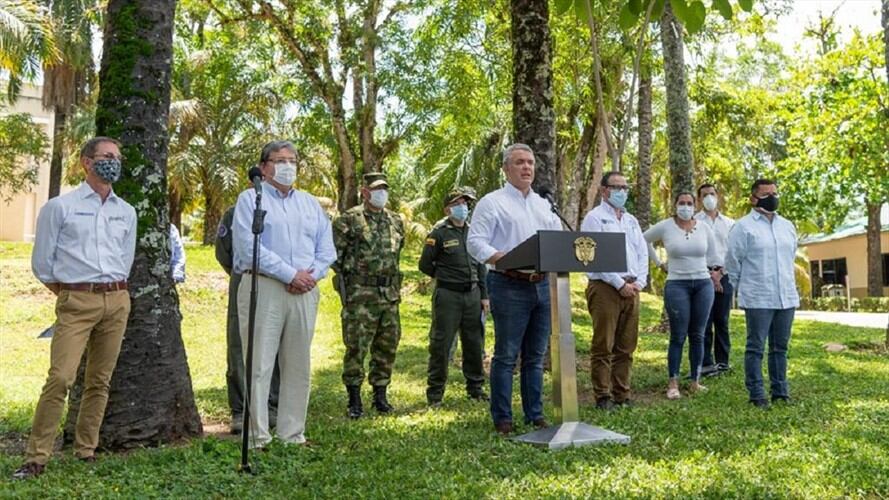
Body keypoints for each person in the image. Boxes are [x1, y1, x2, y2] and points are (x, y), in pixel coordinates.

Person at [14, 137, 136, 480]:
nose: (113, 161)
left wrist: (113, 293)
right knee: (61, 378)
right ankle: (36, 457)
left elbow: (124, 261)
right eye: (106, 156)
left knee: (100, 380)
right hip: (76, 301)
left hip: (117, 301)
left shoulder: (126, 211)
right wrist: (72, 293)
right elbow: (42, 264)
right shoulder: (60, 207)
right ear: (86, 162)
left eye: (117, 156)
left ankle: (86, 450)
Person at [231, 141, 336, 447]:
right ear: (264, 167)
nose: (288, 166)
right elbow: (247, 248)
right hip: (263, 287)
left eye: (292, 160)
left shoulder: (309, 203)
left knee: (298, 364)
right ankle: (257, 437)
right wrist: (290, 274)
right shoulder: (251, 199)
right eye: (280, 160)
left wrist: (309, 276)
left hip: (305, 291)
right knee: (259, 363)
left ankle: (292, 434)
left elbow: (326, 250)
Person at [467, 143, 562, 436]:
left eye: (531, 163)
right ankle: (503, 418)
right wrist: (503, 258)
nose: (527, 168)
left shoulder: (544, 203)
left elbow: (557, 238)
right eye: (520, 162)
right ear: (506, 169)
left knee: (535, 355)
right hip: (508, 283)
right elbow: (476, 242)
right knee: (507, 355)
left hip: (542, 285)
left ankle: (535, 414)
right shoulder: (492, 202)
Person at [332, 173, 405, 418]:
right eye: (376, 189)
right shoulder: (349, 220)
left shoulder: (395, 220)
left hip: (389, 295)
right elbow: (335, 256)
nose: (381, 193)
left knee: (387, 346)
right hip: (360, 295)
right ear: (365, 192)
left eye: (384, 188)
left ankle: (380, 395)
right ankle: (354, 399)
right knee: (356, 347)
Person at [725, 179, 799, 409]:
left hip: (785, 295)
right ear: (753, 198)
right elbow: (732, 261)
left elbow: (791, 257)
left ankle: (780, 391)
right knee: (756, 347)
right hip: (758, 295)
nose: (772, 197)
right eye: (766, 194)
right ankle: (757, 393)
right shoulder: (743, 226)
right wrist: (740, 290)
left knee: (780, 347)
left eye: (775, 193)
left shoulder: (787, 226)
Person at [580, 171, 648, 411]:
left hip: (633, 287)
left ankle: (622, 393)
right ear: (604, 190)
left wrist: (639, 281)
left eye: (624, 187)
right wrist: (619, 284)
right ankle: (603, 395)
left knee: (626, 346)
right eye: (616, 187)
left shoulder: (630, 220)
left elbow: (642, 252)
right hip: (606, 287)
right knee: (603, 344)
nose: (621, 192)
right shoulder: (594, 218)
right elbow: (592, 256)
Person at [419, 187, 489, 407]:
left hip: (473, 295)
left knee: (474, 342)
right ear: (448, 209)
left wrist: (484, 296)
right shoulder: (439, 233)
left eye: (466, 204)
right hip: (448, 296)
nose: (463, 208)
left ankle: (475, 388)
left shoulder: (473, 231)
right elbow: (425, 264)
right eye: (458, 204)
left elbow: (481, 266)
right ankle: (435, 394)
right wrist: (446, 277)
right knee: (441, 344)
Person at [644, 191, 719, 399]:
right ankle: (673, 383)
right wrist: (659, 263)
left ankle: (695, 381)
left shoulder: (704, 228)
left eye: (689, 203)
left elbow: (713, 254)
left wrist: (715, 272)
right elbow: (643, 239)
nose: (685, 207)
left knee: (698, 334)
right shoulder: (666, 226)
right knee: (678, 335)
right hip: (677, 284)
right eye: (681, 203)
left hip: (703, 284)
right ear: (675, 205)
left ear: (695, 206)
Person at [215, 204, 280, 434]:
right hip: (243, 279)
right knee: (239, 344)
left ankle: (271, 406)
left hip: (279, 282)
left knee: (277, 343)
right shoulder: (235, 212)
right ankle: (241, 410)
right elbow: (223, 253)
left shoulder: (286, 210)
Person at [694, 184, 735, 376]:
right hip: (701, 276)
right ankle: (706, 364)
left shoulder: (730, 223)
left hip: (724, 276)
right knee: (704, 321)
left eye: (712, 194)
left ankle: (723, 363)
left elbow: (734, 252)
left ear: (718, 196)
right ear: (699, 199)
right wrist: (709, 275)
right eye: (704, 195)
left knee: (722, 320)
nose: (709, 197)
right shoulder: (694, 221)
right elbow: (693, 250)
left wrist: (720, 273)